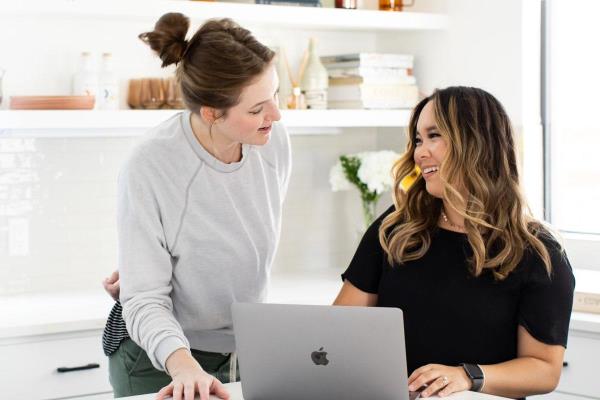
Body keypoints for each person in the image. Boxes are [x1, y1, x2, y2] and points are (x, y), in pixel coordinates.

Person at [334, 86, 575, 399]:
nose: (420, 152)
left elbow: (543, 369)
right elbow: (338, 330)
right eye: (418, 139)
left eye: (434, 136)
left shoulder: (537, 252)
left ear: (476, 142)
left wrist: (467, 376)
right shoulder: (396, 227)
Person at [101, 12, 291, 400]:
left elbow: (241, 239)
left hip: (242, 352)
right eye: (256, 109)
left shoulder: (272, 142)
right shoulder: (151, 166)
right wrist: (184, 365)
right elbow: (144, 299)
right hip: (160, 361)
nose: (276, 115)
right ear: (210, 112)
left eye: (274, 95)